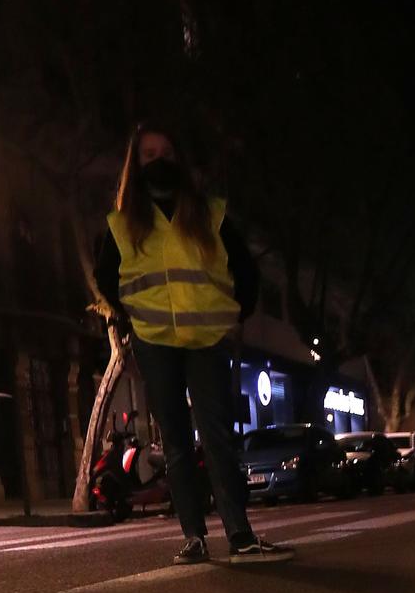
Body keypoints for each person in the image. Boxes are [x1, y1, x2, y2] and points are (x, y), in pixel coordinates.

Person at [94, 123, 294, 567]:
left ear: (179, 159)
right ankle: (194, 536)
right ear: (135, 164)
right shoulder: (122, 225)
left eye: (166, 152)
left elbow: (245, 270)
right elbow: (107, 277)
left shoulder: (210, 214)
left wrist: (235, 315)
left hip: (206, 340)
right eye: (148, 154)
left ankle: (240, 535)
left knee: (218, 436)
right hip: (155, 342)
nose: (158, 161)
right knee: (177, 442)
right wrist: (131, 317)